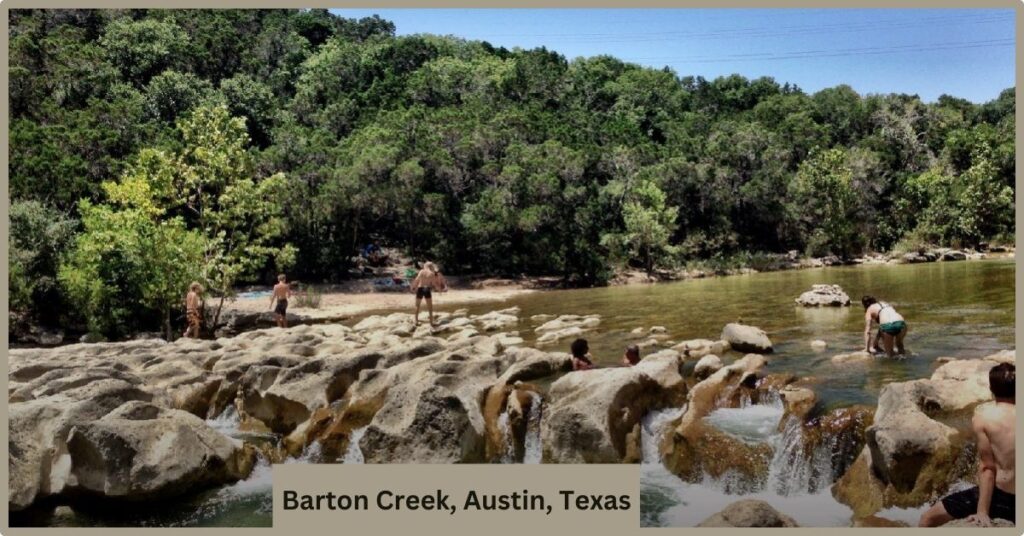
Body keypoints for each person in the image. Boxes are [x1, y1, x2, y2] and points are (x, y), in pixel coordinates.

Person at [919, 363, 1015, 527]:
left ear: (991, 390)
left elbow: (987, 468)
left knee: (928, 519)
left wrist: (982, 511)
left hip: (1003, 497)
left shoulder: (984, 418)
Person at [411, 262, 447, 327]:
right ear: (431, 266)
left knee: (417, 305)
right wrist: (439, 290)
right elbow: (434, 284)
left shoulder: (421, 271)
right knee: (430, 307)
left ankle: (416, 321)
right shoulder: (431, 273)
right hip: (427, 289)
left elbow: (417, 280)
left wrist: (413, 287)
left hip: (420, 288)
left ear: (425, 266)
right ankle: (431, 323)